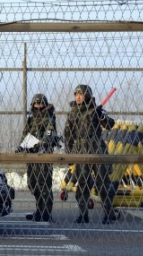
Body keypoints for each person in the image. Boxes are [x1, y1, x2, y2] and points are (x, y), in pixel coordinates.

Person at [64, 85, 116, 224]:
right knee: (82, 183)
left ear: (87, 95)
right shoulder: (72, 113)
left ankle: (109, 213)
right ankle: (83, 214)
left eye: (81, 94)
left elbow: (110, 124)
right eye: (76, 94)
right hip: (81, 150)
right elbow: (67, 136)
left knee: (102, 182)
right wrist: (69, 154)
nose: (78, 97)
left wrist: (101, 115)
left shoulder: (95, 110)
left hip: (97, 148)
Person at [18, 93, 57, 222]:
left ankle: (46, 212)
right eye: (36, 103)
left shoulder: (49, 118)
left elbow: (49, 135)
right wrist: (22, 146)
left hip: (44, 156)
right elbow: (25, 134)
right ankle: (39, 210)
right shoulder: (31, 119)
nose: (38, 106)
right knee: (32, 183)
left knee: (44, 184)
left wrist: (38, 145)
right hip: (32, 156)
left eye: (41, 103)